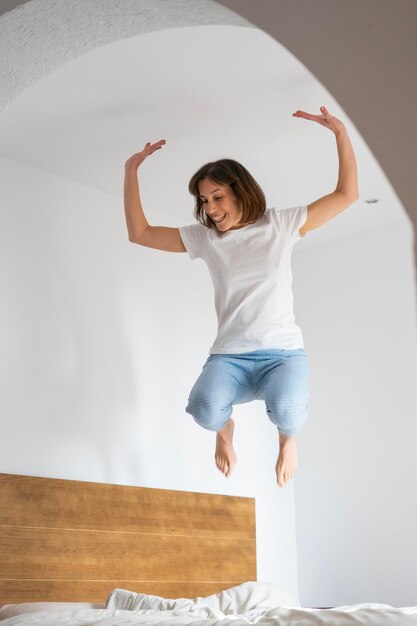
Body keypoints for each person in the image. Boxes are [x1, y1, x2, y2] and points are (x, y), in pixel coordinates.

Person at [124, 106, 359, 487]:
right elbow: (140, 232)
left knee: (288, 410)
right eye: (204, 201)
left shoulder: (281, 224)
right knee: (204, 409)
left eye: (217, 197)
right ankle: (226, 430)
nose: (211, 209)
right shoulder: (205, 239)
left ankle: (287, 438)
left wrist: (341, 135)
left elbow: (347, 194)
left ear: (240, 190)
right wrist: (130, 170)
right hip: (230, 357)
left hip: (281, 354)